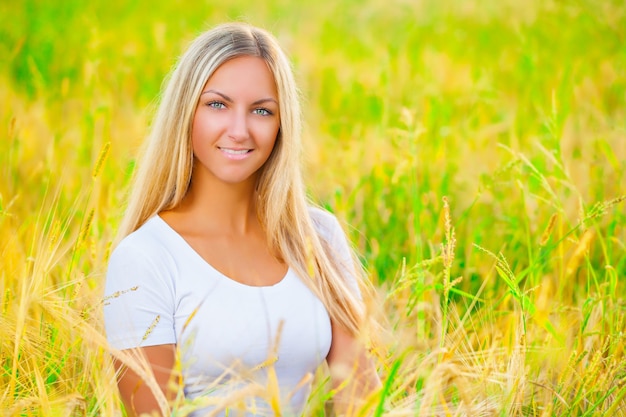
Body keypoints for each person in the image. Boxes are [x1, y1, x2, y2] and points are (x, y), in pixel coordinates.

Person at [103, 22, 381, 417]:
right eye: (217, 104)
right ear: (187, 112)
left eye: (262, 111)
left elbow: (362, 401)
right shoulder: (145, 258)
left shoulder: (318, 237)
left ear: (282, 124)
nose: (239, 130)